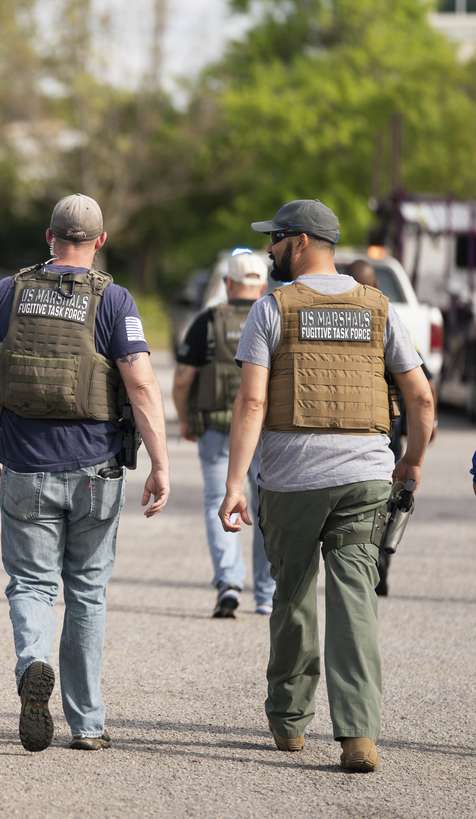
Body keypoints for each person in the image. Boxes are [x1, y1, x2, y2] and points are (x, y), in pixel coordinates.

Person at [219, 199, 435, 773]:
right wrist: (410, 462)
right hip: (366, 475)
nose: (268, 250)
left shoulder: (274, 309)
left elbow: (253, 401)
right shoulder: (379, 308)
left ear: (301, 242)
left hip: (292, 478)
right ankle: (359, 735)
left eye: (276, 240)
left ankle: (290, 724)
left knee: (291, 596)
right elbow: (420, 398)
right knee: (354, 599)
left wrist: (236, 480)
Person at [0, 194, 170, 753]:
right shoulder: (114, 299)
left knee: (30, 583)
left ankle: (32, 664)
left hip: (24, 463)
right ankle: (89, 724)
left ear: (49, 237)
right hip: (97, 469)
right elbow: (141, 386)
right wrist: (161, 463)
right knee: (88, 592)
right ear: (100, 242)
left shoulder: (7, 293)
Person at [173, 249, 274, 617]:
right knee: (267, 510)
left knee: (220, 501)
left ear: (228, 283)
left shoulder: (208, 321)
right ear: (261, 283)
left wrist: (185, 419)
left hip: (216, 429)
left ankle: (228, 583)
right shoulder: (274, 317)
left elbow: (183, 379)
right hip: (265, 432)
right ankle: (267, 594)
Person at [347, 258, 435, 597]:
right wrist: (427, 429)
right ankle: (380, 564)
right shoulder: (387, 321)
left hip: (357, 433)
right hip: (389, 435)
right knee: (387, 504)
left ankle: (368, 564)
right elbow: (423, 386)